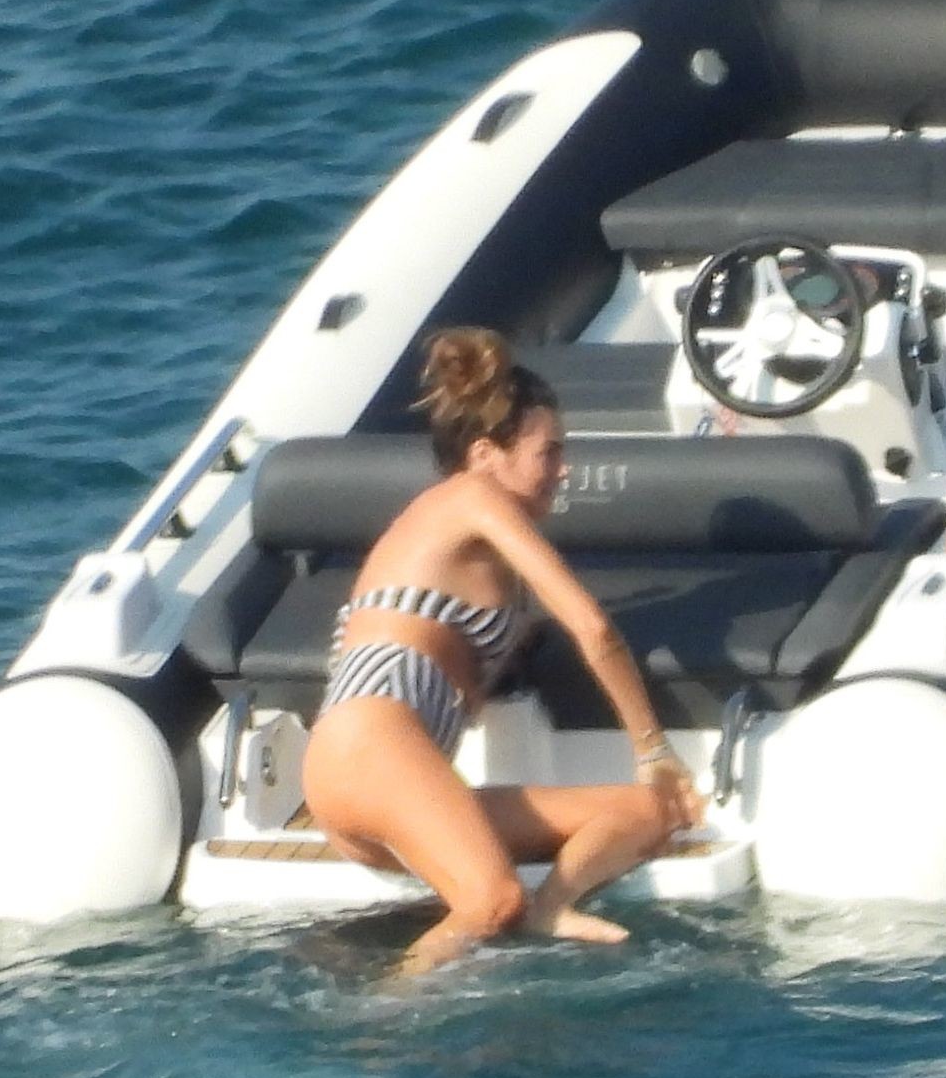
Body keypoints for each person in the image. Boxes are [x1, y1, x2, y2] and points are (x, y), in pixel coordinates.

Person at [300, 328, 701, 974]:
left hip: (392, 776)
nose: (563, 470)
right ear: (486, 454)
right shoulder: (471, 496)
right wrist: (652, 750)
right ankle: (380, 1020)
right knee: (491, 901)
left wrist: (519, 637)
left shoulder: (462, 544)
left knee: (650, 813)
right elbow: (594, 628)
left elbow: (457, 654)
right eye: (549, 452)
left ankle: (553, 906)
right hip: (369, 750)